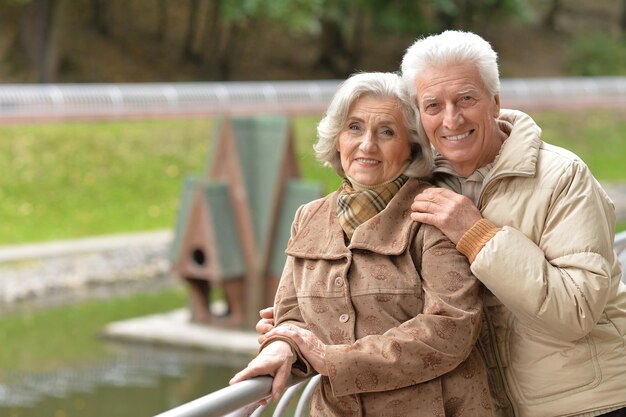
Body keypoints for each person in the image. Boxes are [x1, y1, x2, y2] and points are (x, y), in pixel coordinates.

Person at [230, 72, 496, 417]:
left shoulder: (433, 213)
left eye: (386, 132)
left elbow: (451, 328)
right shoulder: (308, 216)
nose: (367, 145)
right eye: (354, 128)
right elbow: (292, 314)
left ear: (411, 147)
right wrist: (282, 344)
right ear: (338, 138)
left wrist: (331, 359)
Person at [399, 30, 626, 417]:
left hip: (590, 402)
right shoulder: (414, 188)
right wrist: (295, 326)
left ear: (495, 102)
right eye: (433, 105)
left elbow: (575, 312)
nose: (451, 118)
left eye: (465, 99)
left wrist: (476, 234)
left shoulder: (564, 176)